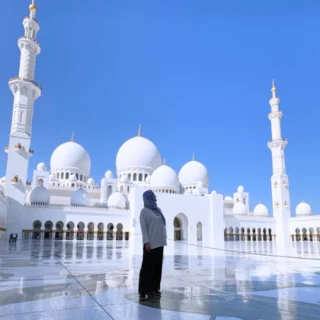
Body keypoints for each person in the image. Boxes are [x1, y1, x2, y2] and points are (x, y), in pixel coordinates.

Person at [138, 190, 167, 301]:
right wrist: (146, 241)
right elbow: (144, 228)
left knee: (157, 267)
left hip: (160, 243)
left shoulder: (157, 210)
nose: (155, 197)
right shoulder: (144, 212)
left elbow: (162, 224)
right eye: (153, 196)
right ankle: (143, 292)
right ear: (148, 197)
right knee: (147, 268)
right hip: (150, 244)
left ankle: (154, 288)